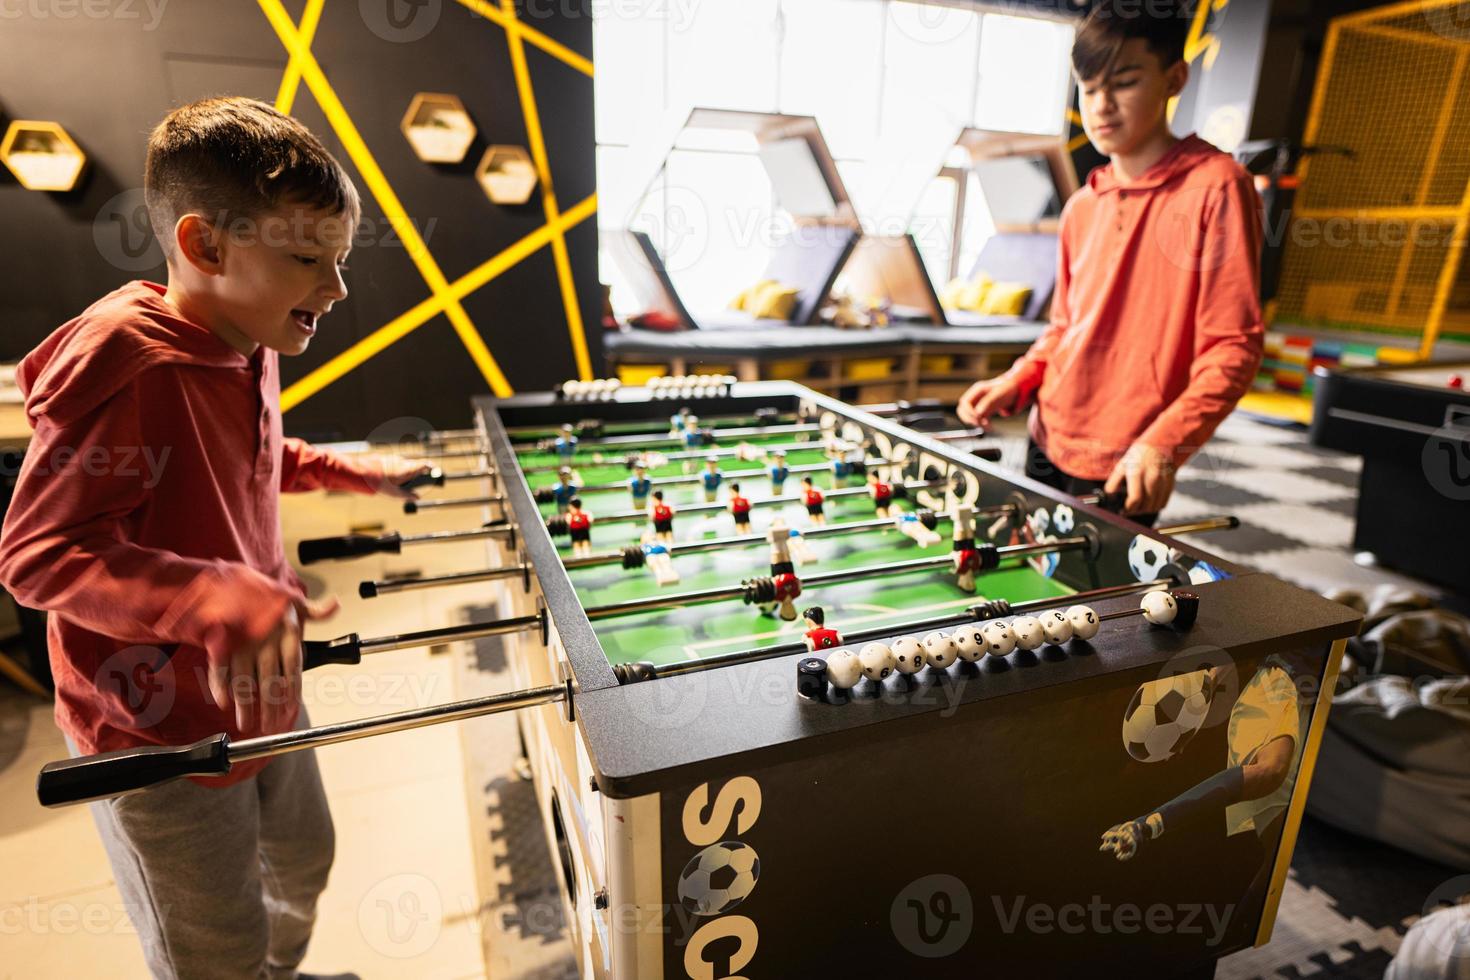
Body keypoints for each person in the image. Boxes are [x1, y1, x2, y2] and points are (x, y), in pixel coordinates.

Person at [0, 97, 429, 980]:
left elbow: (251, 455)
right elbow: (37, 554)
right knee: (214, 945)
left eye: (340, 260)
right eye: (309, 259)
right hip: (149, 726)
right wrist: (210, 596)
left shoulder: (251, 333)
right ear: (204, 246)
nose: (337, 289)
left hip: (262, 679)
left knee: (303, 861)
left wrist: (354, 473)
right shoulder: (129, 364)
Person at [958, 1, 1264, 522]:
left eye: (1123, 83)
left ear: (1174, 78)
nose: (1101, 106)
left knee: (1102, 605)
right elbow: (1065, 327)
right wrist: (1020, 377)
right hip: (1047, 433)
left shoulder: (1217, 187)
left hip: (1128, 453)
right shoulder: (1082, 207)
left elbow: (1233, 346)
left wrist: (1165, 441)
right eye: (1090, 87)